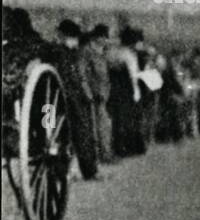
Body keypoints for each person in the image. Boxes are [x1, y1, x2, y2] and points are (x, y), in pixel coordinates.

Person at [54, 19, 99, 179]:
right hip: (69, 101)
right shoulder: (66, 55)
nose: (75, 41)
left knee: (53, 132)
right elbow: (72, 80)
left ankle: (61, 169)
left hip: (51, 103)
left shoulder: (57, 52)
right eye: (73, 37)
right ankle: (88, 170)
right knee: (83, 133)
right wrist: (85, 97)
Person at [108, 26, 145, 158]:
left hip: (120, 90)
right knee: (125, 120)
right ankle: (126, 147)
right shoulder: (128, 55)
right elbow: (132, 75)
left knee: (122, 120)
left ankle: (123, 147)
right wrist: (135, 90)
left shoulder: (117, 53)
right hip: (127, 90)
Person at [84, 24, 115, 163]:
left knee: (104, 125)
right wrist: (88, 92)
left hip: (103, 94)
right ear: (97, 37)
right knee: (97, 126)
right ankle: (101, 155)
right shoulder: (88, 51)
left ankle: (104, 154)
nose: (105, 40)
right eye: (103, 37)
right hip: (93, 94)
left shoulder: (102, 52)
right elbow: (83, 74)